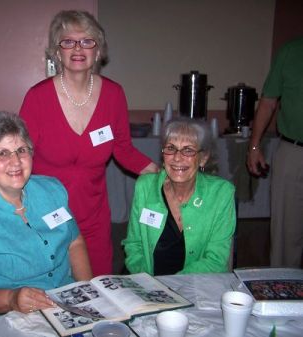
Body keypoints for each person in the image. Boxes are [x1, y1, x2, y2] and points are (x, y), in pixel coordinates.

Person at [18, 10, 159, 276]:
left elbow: (124, 150)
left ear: (98, 50)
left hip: (94, 216)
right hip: (47, 215)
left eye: (87, 41)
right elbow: (18, 155)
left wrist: (168, 175)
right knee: (53, 292)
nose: (78, 48)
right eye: (68, 41)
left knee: (97, 288)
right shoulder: (38, 98)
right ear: (57, 52)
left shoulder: (114, 95)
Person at [0, 111, 92, 324]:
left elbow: (74, 242)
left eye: (21, 150)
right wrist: (11, 299)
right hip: (8, 317)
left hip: (64, 302)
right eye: (2, 153)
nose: (15, 161)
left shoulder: (52, 190)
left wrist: (86, 290)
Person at [123, 117, 236, 275]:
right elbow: (133, 245)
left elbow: (216, 260)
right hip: (148, 286)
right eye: (171, 148)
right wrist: (147, 281)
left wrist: (173, 286)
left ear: (203, 158)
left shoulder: (221, 193)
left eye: (188, 150)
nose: (177, 157)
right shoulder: (145, 187)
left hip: (197, 288)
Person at [246, 37, 303, 268]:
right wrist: (254, 146)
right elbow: (268, 101)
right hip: (294, 150)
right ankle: (283, 294)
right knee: (285, 236)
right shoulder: (291, 51)